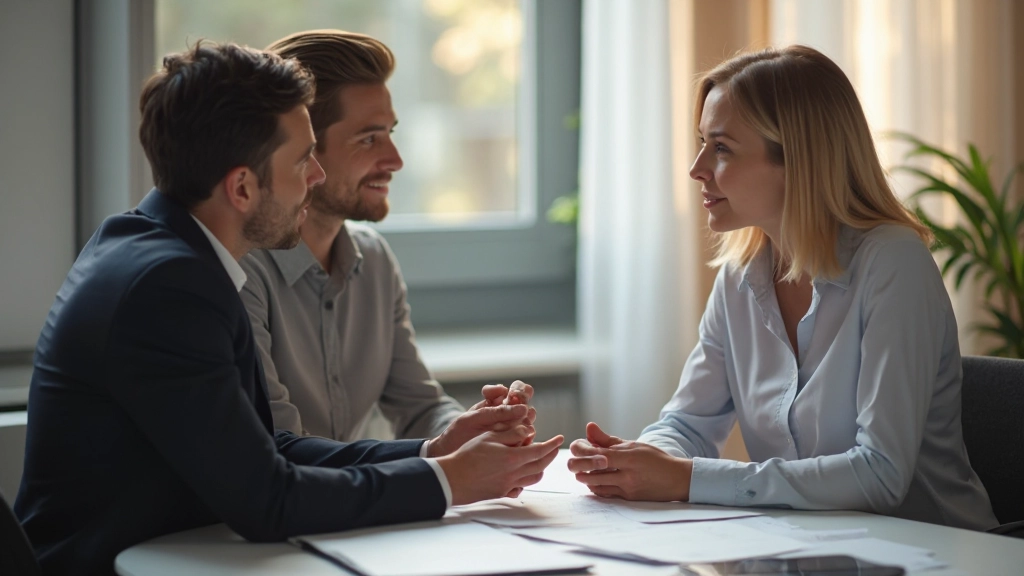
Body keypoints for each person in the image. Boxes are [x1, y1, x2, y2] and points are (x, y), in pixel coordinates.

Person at [14, 42, 562, 575]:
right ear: (243, 188)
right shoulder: (169, 286)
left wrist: (432, 449)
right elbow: (267, 500)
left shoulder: (169, 253)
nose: (317, 176)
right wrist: (449, 481)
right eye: (303, 160)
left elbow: (269, 449)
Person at [567, 45, 998, 531]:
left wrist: (686, 479)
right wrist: (633, 464)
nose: (697, 167)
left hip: (940, 552)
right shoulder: (740, 277)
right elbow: (686, 426)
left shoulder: (893, 263)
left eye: (722, 148)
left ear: (799, 160)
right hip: (813, 551)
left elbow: (880, 475)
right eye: (701, 142)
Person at [237, 29, 522, 443]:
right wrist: (435, 464)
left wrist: (474, 432)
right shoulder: (242, 269)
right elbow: (283, 448)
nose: (395, 160)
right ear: (304, 146)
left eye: (391, 133)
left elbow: (420, 407)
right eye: (369, 138)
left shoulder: (374, 259)